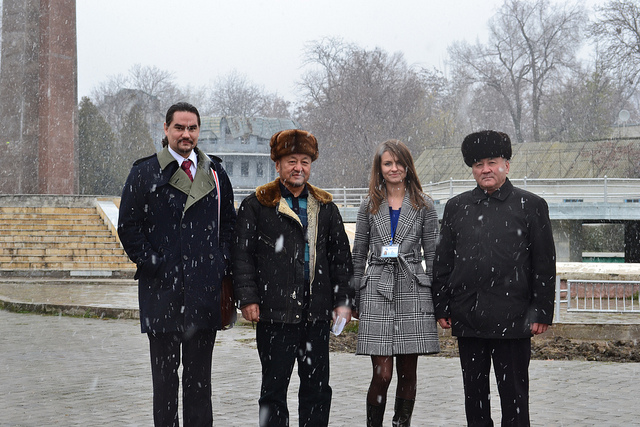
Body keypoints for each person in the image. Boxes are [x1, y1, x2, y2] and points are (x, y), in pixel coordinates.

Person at [118, 102, 236, 427]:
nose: (186, 134)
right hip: (162, 294)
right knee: (165, 386)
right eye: (179, 128)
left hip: (203, 293)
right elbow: (128, 226)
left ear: (199, 131)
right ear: (166, 130)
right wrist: (153, 262)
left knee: (199, 386)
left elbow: (229, 226)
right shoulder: (144, 172)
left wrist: (217, 263)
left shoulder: (215, 173)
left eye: (192, 128)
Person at [433, 130, 556, 427]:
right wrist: (442, 306)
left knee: (513, 396)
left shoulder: (531, 206)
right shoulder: (456, 207)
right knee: (474, 397)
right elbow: (442, 262)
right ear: (472, 169)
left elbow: (544, 263)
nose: (485, 169)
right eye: (478, 164)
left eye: (492, 162)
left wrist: (541, 311)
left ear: (507, 165)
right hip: (469, 317)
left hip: (514, 319)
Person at [231, 129, 354, 427]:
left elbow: (341, 260)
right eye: (291, 161)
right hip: (275, 316)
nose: (298, 167)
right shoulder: (257, 205)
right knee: (273, 392)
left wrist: (343, 302)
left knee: (317, 390)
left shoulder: (325, 207)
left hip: (315, 317)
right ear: (277, 164)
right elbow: (242, 256)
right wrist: (248, 298)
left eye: (305, 161)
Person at [352, 140, 440, 427]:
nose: (394, 168)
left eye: (399, 163)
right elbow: (359, 254)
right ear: (379, 168)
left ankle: (401, 424)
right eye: (388, 163)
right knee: (383, 373)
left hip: (412, 286)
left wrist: (438, 299)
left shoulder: (424, 205)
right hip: (377, 285)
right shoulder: (368, 205)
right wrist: (356, 295)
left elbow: (434, 255)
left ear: (408, 166)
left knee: (408, 372)